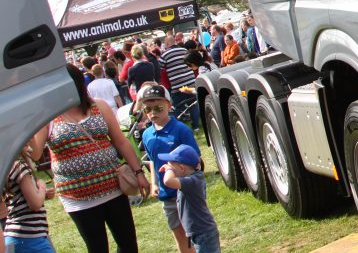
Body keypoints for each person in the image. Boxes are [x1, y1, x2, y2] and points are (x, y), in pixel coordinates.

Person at [29, 64, 148, 253]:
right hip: (78, 198)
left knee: (128, 245)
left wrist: (138, 171)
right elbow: (35, 154)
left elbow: (121, 142)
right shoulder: (49, 116)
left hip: (114, 188)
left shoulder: (98, 106)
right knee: (97, 248)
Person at [139, 85, 201, 253]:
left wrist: (179, 177)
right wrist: (154, 183)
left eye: (158, 107)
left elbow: (196, 161)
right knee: (178, 232)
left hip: (185, 191)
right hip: (167, 194)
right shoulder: (147, 134)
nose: (153, 113)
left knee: (194, 233)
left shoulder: (181, 130)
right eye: (148, 109)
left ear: (169, 105)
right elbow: (152, 160)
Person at [159, 145, 220, 253]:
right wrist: (171, 167)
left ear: (182, 168)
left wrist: (168, 169)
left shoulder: (191, 182)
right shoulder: (193, 178)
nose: (169, 169)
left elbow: (168, 181)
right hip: (199, 232)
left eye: (172, 168)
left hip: (204, 233)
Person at [3, 146, 55, 253]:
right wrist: (42, 187)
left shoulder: (6, 167)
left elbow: (19, 198)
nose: (30, 147)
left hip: (15, 236)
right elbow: (35, 204)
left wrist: (42, 195)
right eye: (27, 143)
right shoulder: (19, 166)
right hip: (29, 236)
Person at [160, 36, 200, 130]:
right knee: (193, 104)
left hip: (177, 85)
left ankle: (179, 127)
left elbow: (160, 69)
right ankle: (196, 126)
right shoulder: (185, 50)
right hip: (190, 81)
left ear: (168, 44)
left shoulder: (165, 55)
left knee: (177, 107)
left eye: (165, 44)